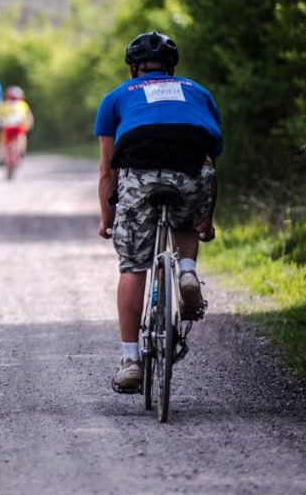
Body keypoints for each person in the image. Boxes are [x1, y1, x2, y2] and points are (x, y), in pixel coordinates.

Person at [93, 32, 222, 393]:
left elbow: (108, 171)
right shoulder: (197, 91)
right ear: (172, 67)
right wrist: (206, 220)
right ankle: (187, 271)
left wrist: (107, 220)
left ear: (133, 68)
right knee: (185, 218)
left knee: (133, 266)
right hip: (191, 175)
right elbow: (210, 162)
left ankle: (131, 360)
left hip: (141, 179)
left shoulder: (117, 97)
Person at [0, 86, 34, 162]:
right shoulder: (23, 104)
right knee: (22, 136)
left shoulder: (4, 105)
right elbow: (29, 116)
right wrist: (29, 123)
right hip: (18, 127)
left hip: (7, 127)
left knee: (3, 139)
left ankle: (2, 154)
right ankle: (22, 151)